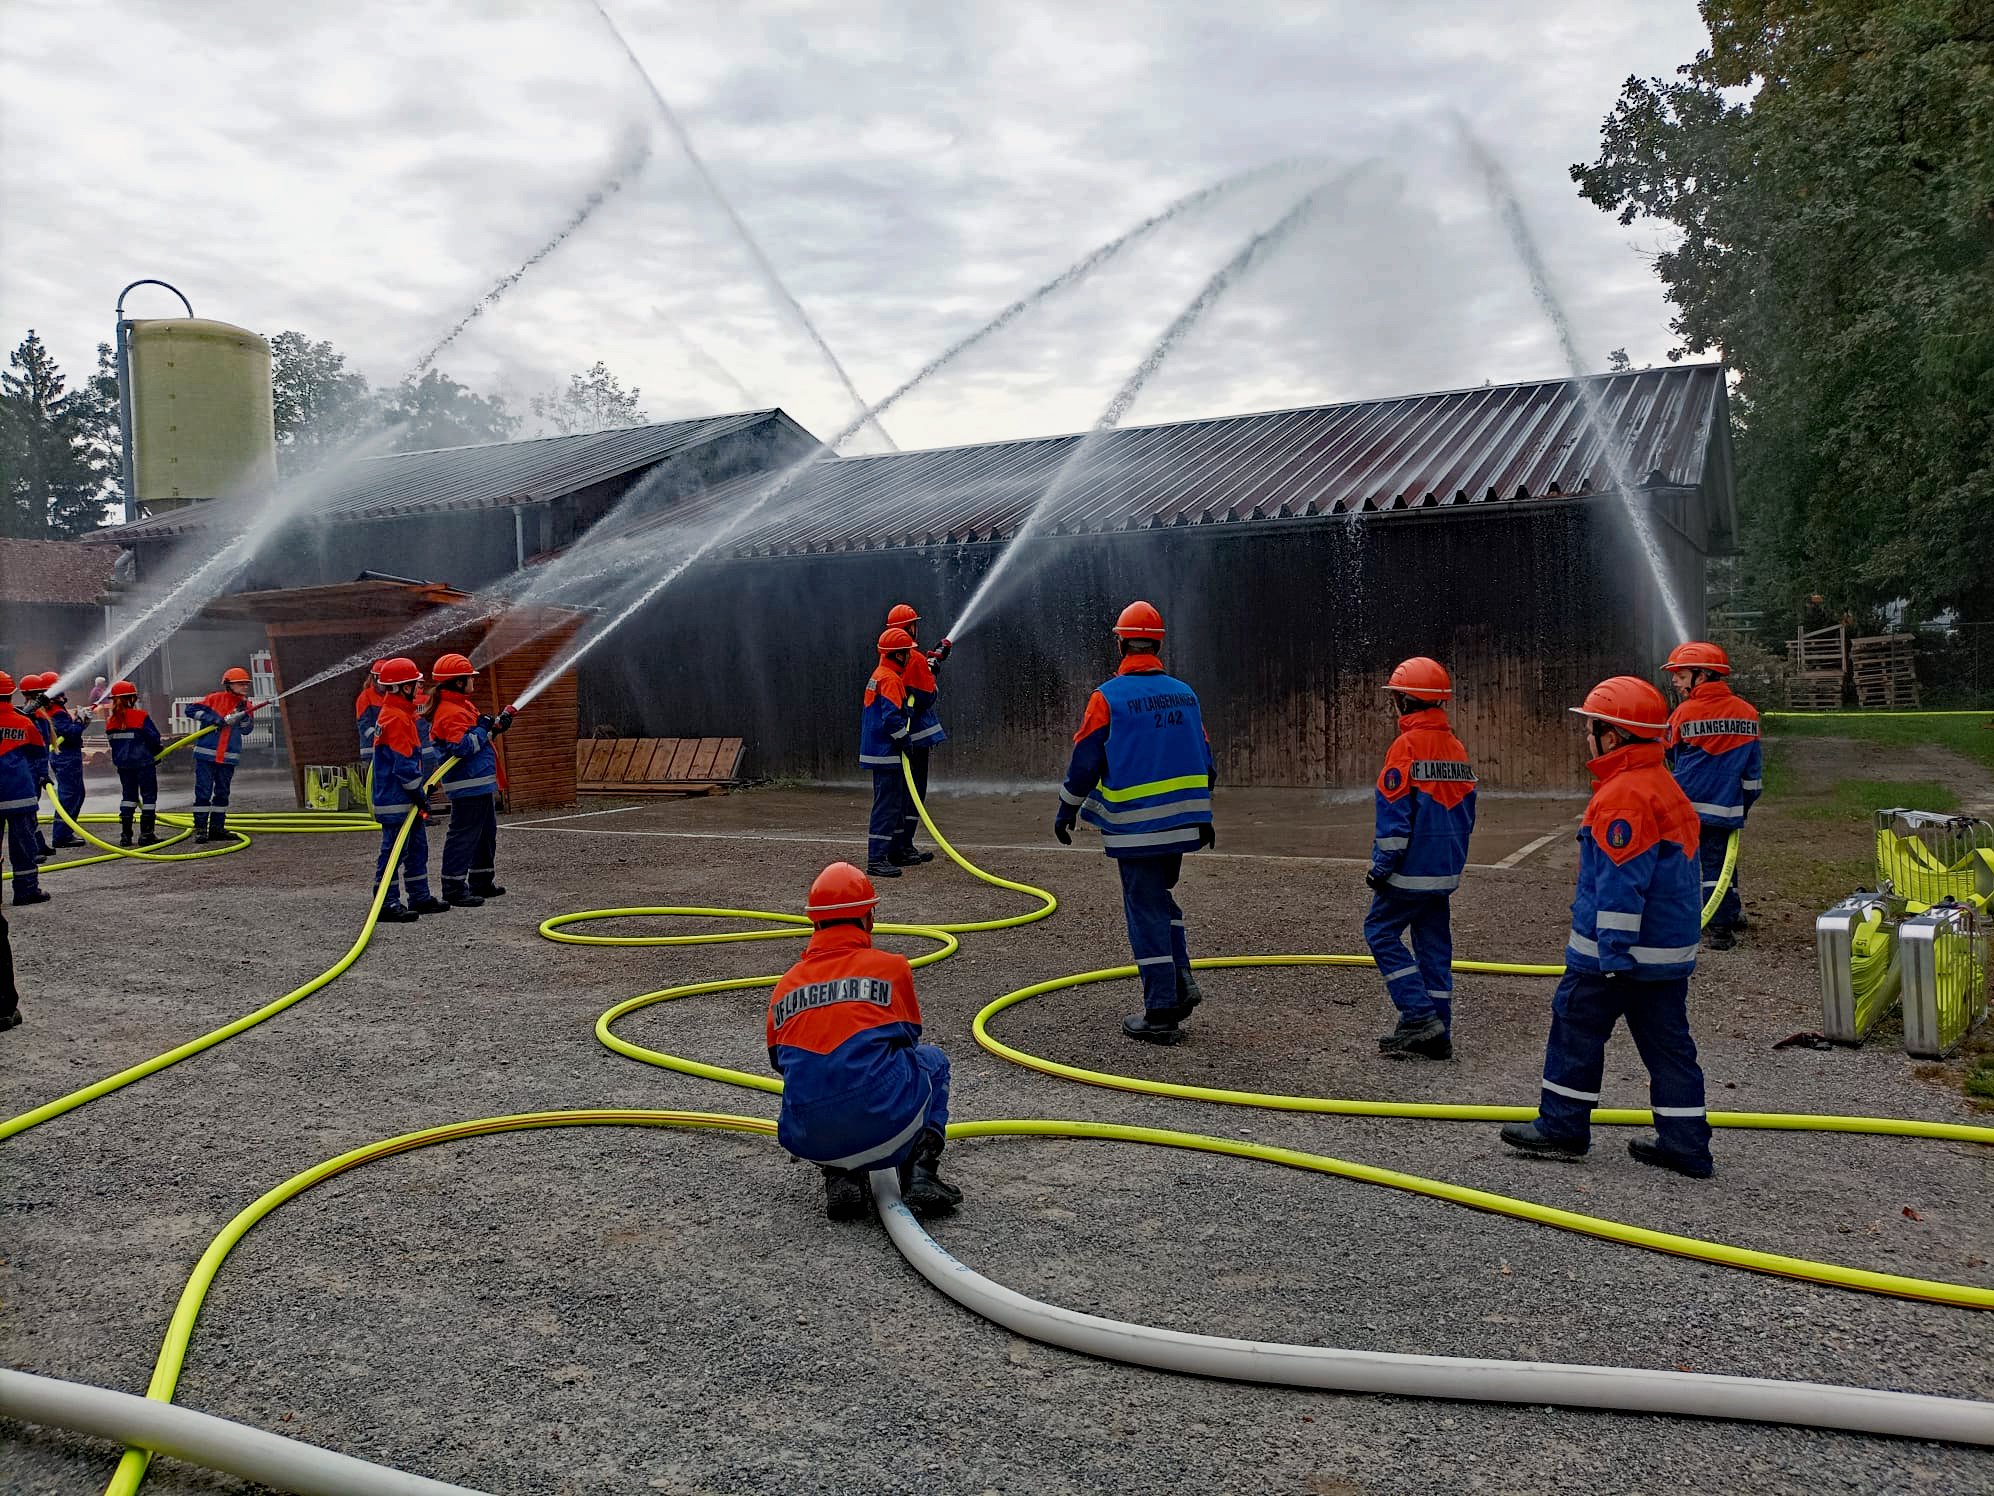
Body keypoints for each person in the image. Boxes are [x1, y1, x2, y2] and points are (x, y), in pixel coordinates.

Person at [1499, 676, 1714, 1179]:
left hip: (1616, 956)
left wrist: (1612, 958)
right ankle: (1686, 1145)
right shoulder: (1663, 783)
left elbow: (1621, 885)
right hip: (1665, 954)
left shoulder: (1624, 796)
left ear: (1611, 736)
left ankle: (1562, 1128)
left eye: (1590, 727)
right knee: (1669, 1047)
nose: (1585, 736)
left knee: (1575, 1026)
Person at [1054, 601, 1215, 1045]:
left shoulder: (1108, 697)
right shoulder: (1186, 694)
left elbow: (1085, 761)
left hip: (1138, 830)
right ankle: (1181, 980)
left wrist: (1067, 808)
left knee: (1143, 911)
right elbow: (1207, 760)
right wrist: (1203, 813)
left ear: (1121, 641)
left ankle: (1161, 1010)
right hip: (1183, 825)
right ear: (1159, 642)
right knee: (1161, 901)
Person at [766, 861, 960, 1220]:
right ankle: (920, 1172)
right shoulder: (891, 968)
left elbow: (781, 1062)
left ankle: (841, 1174)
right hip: (886, 1123)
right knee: (931, 1061)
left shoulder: (785, 986)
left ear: (814, 920)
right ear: (869, 917)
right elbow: (907, 1040)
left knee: (821, 1078)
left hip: (809, 1136)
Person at [1364, 657, 1477, 1061]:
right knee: (1433, 946)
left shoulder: (1406, 747)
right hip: (1444, 869)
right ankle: (1439, 1031)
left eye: (1396, 698)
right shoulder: (1456, 747)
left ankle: (1417, 1015)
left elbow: (1394, 815)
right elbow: (1468, 811)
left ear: (1407, 702)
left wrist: (1382, 866)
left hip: (1409, 871)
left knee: (1379, 932)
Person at [1662, 641, 1762, 951]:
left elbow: (1671, 754)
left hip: (1687, 805)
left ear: (1701, 675)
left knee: (1700, 866)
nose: (1675, 682)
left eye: (1680, 675)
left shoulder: (1684, 713)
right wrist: (1742, 805)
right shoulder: (1748, 713)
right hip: (1729, 805)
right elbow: (1753, 770)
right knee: (1724, 863)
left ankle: (1718, 929)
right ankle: (1728, 912)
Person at [368, 657, 450, 923]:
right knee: (394, 853)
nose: (419, 688)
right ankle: (386, 902)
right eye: (415, 684)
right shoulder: (397, 718)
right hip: (397, 800)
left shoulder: (399, 713)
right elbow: (404, 768)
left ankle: (419, 896)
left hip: (402, 799)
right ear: (403, 687)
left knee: (417, 849)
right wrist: (420, 795)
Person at [426, 653, 510, 907]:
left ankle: (481, 881)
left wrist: (495, 728)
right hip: (467, 785)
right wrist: (484, 728)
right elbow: (462, 747)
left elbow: (479, 740)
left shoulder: (461, 705)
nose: (474, 681)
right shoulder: (449, 712)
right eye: (470, 678)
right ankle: (453, 887)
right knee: (464, 835)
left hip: (478, 782)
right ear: (459, 682)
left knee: (485, 833)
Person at [885, 603, 952, 867]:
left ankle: (902, 846)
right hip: (915, 736)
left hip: (905, 734)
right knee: (914, 791)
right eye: (915, 624)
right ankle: (902, 848)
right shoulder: (912, 659)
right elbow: (926, 695)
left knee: (905, 792)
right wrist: (932, 670)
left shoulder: (897, 653)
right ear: (910, 626)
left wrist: (932, 660)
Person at [859, 626, 916, 879]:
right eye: (906, 653)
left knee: (894, 804)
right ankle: (877, 858)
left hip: (879, 751)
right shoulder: (891, 679)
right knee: (886, 806)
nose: (909, 656)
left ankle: (892, 852)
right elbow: (891, 719)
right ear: (897, 655)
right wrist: (905, 741)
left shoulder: (880, 674)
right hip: (885, 753)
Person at [185, 666, 256, 843]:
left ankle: (217, 828)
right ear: (228, 685)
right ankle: (201, 828)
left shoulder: (246, 706)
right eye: (240, 684)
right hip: (206, 756)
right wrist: (212, 719)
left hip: (228, 757)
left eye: (246, 684)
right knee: (203, 792)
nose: (245, 687)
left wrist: (244, 718)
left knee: (222, 793)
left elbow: (247, 730)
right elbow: (191, 710)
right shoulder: (214, 699)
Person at [0, 673, 50, 906]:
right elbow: (39, 753)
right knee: (23, 845)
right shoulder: (23, 722)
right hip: (19, 794)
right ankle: (26, 891)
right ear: (11, 694)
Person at [101, 681, 163, 847]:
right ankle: (146, 834)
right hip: (143, 763)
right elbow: (154, 739)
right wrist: (157, 753)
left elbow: (113, 744)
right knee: (149, 798)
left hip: (123, 765)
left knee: (128, 797)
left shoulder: (110, 721)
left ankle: (126, 836)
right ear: (132, 698)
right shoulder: (140, 716)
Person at [42, 680, 90, 849]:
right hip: (67, 757)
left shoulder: (51, 709)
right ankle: (62, 836)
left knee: (77, 794)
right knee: (70, 796)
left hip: (63, 756)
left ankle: (66, 832)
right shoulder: (57, 712)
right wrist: (80, 722)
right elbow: (70, 734)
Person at [20, 674, 54, 859]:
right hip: (29, 771)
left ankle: (38, 844)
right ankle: (32, 848)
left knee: (32, 808)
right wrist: (42, 773)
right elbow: (38, 749)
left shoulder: (36, 716)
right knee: (27, 810)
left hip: (32, 770)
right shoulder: (30, 718)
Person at [355, 660, 386, 759]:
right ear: (374, 678)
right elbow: (364, 725)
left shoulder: (391, 697)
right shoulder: (365, 697)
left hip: (387, 750)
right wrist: (380, 737)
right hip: (371, 751)